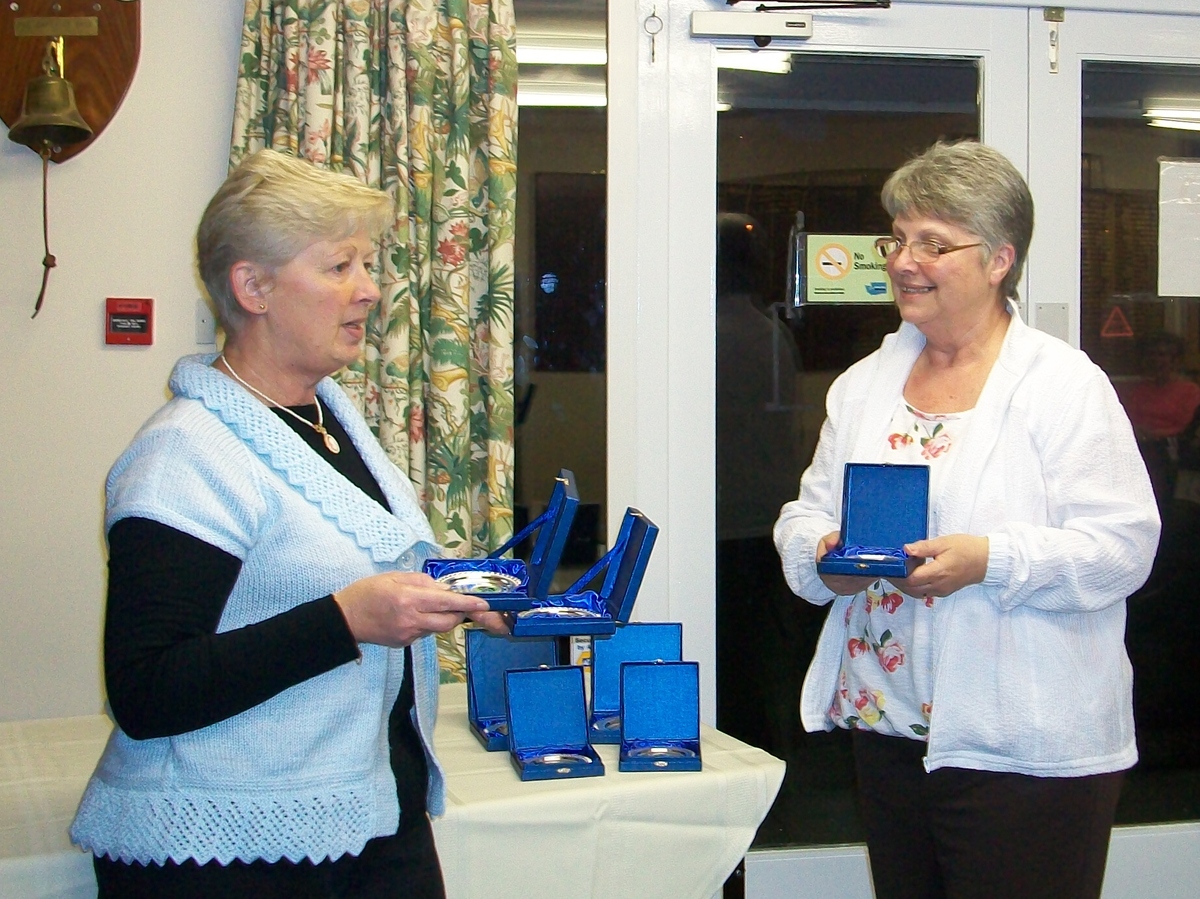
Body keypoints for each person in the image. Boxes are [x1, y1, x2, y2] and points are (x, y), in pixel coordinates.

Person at [70, 149, 506, 898]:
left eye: (369, 265)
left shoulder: (328, 419)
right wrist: (348, 618)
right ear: (254, 286)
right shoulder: (184, 454)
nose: (370, 291)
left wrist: (455, 592)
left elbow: (345, 572)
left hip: (368, 816)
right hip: (224, 854)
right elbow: (146, 690)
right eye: (340, 267)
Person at [773, 140, 1160, 899]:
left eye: (934, 243)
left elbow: (1123, 548)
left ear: (998, 260)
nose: (903, 260)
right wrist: (823, 553)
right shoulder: (864, 385)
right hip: (888, 729)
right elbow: (805, 514)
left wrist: (990, 560)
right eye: (898, 237)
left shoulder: (1063, 386)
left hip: (1024, 750)